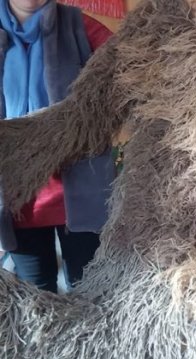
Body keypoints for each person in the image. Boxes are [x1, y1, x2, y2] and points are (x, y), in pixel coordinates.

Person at [0, 0, 114, 293]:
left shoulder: (79, 26)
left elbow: (127, 70)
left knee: (88, 291)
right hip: (16, 200)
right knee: (33, 296)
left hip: (78, 193)